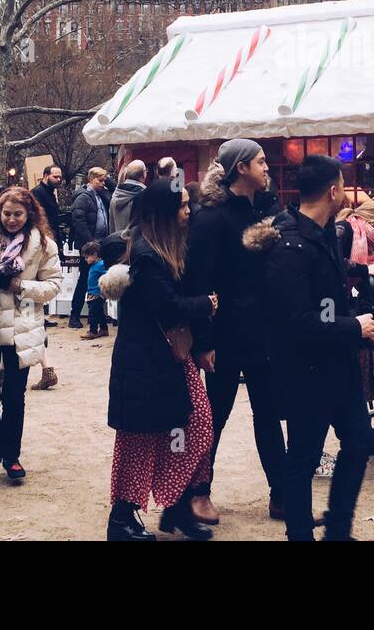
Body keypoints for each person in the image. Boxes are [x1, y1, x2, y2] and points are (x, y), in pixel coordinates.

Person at [250, 154, 374, 541]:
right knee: (303, 455)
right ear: (333, 190)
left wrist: (360, 274)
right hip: (304, 370)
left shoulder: (325, 234)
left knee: (359, 441)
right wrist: (353, 326)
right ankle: (300, 534)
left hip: (337, 365)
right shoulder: (289, 245)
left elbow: (324, 289)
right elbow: (300, 320)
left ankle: (337, 529)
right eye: (344, 186)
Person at [103, 178, 217, 541]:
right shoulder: (149, 255)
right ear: (165, 212)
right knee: (141, 441)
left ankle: (177, 507)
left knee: (194, 426)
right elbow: (167, 309)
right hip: (146, 364)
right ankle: (121, 520)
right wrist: (207, 304)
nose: (188, 210)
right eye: (182, 205)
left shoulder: (163, 248)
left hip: (165, 360)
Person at [184, 139, 286, 526]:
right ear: (241, 167)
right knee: (215, 415)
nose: (267, 167)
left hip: (263, 332)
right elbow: (200, 280)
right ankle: (199, 492)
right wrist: (204, 340)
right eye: (261, 161)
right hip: (225, 333)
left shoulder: (270, 209)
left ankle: (280, 494)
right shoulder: (211, 218)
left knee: (268, 413)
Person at [0, 186, 62, 486]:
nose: (11, 219)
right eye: (6, 213)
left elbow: (53, 285)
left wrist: (19, 285)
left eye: (18, 214)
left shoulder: (43, 244)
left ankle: (12, 456)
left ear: (29, 214)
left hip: (22, 329)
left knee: (13, 397)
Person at [67, 166, 111, 328]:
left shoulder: (100, 194)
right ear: (91, 179)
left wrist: (107, 181)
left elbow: (113, 193)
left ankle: (98, 314)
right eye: (100, 180)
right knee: (85, 279)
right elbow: (79, 221)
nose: (103, 183)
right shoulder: (83, 197)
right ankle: (75, 314)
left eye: (104, 180)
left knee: (98, 279)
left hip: (100, 243)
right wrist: (90, 245)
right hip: (90, 245)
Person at [111, 160, 147, 241]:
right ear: (143, 174)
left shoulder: (115, 194)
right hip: (135, 245)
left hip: (116, 242)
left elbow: (111, 224)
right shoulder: (144, 195)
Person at [81, 241, 109, 339]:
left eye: (87, 257)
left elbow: (108, 274)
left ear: (94, 255)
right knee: (100, 312)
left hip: (97, 294)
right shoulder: (95, 265)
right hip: (93, 293)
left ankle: (93, 331)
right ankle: (104, 329)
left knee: (93, 313)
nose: (85, 259)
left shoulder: (101, 265)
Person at [31, 165, 63, 241]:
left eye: (60, 177)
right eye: (55, 177)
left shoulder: (49, 192)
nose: (58, 180)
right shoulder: (37, 193)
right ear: (46, 176)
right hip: (44, 237)